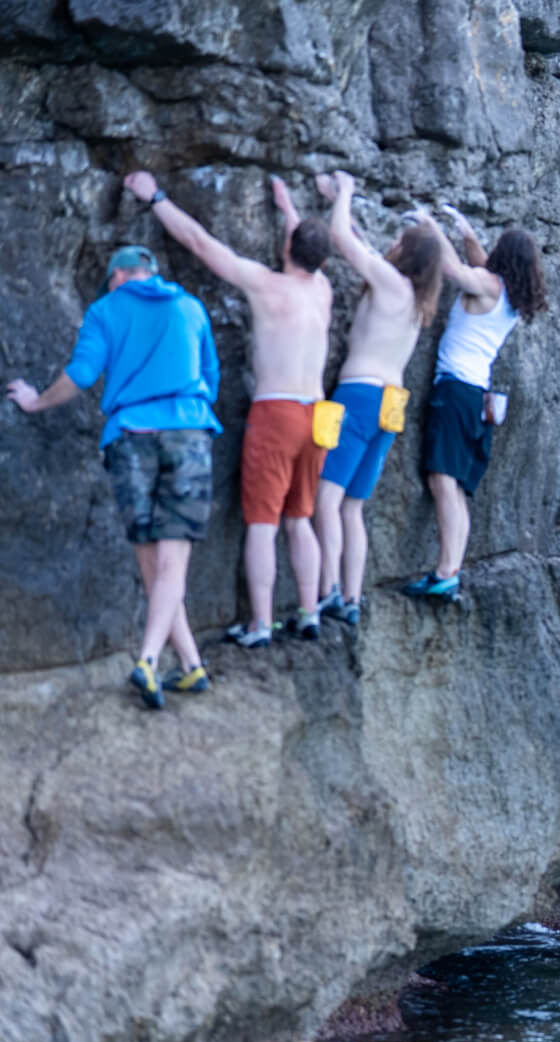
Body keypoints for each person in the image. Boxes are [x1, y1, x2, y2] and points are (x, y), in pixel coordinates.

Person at [5, 244, 221, 708]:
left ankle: (159, 661)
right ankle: (180, 663)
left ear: (118, 276)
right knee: (172, 561)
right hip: (188, 432)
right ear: (150, 272)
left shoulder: (105, 310)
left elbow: (82, 374)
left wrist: (36, 401)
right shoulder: (190, 307)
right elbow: (211, 376)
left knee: (150, 557)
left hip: (131, 437)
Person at [125, 170, 334, 646]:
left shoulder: (266, 285)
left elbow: (200, 243)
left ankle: (261, 624)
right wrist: (288, 209)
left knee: (262, 522)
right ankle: (309, 611)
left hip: (277, 412)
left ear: (287, 248)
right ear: (323, 260)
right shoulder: (322, 291)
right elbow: (308, 252)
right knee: (300, 518)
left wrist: (156, 197)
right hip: (317, 414)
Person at [312, 172, 443, 627]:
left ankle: (327, 590)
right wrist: (339, 202)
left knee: (325, 498)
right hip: (391, 404)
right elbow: (365, 247)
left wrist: (345, 192)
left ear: (408, 253)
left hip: (360, 396)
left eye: (400, 241)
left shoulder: (390, 284)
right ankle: (352, 598)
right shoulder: (418, 301)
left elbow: (342, 240)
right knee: (353, 506)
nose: (393, 243)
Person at [403, 206, 548, 602]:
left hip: (455, 391)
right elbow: (477, 261)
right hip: (474, 395)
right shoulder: (510, 296)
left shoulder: (488, 285)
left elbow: (455, 270)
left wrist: (430, 226)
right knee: (455, 487)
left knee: (442, 480)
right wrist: (466, 232)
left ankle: (445, 571)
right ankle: (450, 571)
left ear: (503, 255)